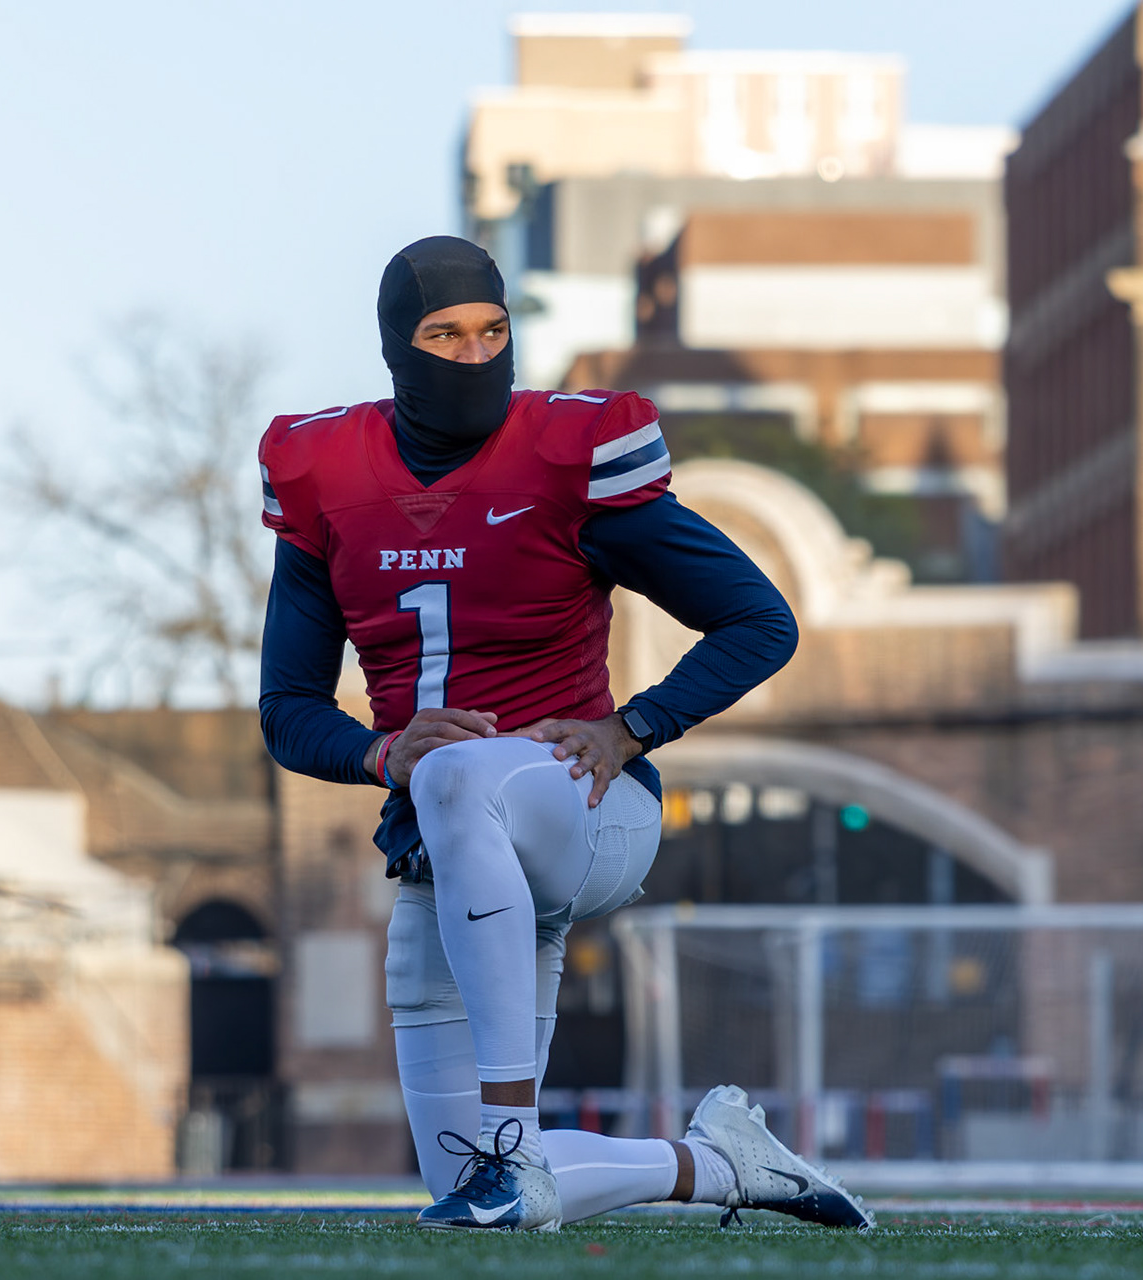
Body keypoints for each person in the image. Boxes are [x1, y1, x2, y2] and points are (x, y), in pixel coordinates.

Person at [258, 235, 872, 1232]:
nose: (473, 353)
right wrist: (383, 752)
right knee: (460, 1184)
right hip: (442, 850)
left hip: (582, 806)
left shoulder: (567, 454)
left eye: (492, 330)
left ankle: (513, 1140)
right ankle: (723, 1163)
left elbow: (760, 620)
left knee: (459, 772)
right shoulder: (324, 472)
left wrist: (631, 728)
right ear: (395, 348)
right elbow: (287, 709)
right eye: (444, 333)